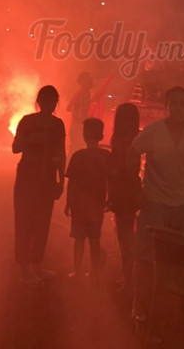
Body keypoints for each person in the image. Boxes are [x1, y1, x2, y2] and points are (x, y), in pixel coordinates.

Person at [130, 86, 184, 326]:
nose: (177, 108)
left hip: (183, 204)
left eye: (182, 103)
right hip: (154, 203)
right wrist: (137, 189)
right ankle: (139, 305)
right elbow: (132, 153)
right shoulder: (153, 131)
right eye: (173, 103)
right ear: (166, 106)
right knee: (145, 257)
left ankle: (183, 302)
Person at [12, 85, 66, 285]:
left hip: (46, 181)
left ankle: (36, 265)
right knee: (24, 222)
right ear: (39, 102)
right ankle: (24, 269)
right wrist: (30, 139)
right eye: (46, 100)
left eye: (53, 101)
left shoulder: (58, 125)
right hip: (27, 180)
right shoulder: (27, 122)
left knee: (42, 224)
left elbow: (61, 153)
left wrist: (61, 180)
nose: (49, 104)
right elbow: (15, 147)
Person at [65, 118, 111, 279]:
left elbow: (72, 182)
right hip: (97, 203)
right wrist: (109, 199)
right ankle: (94, 270)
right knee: (94, 238)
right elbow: (110, 180)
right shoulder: (105, 156)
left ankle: (77, 271)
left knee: (79, 239)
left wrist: (68, 203)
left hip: (79, 204)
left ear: (84, 135)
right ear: (101, 136)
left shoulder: (78, 156)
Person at [106, 103, 141, 291]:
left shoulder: (119, 141)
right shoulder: (137, 139)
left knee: (124, 238)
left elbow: (117, 169)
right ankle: (130, 278)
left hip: (122, 191)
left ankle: (128, 281)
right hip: (133, 190)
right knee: (131, 236)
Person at [67, 72, 93, 156]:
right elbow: (81, 112)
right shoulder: (84, 93)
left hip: (75, 125)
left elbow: (69, 108)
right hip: (79, 125)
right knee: (78, 148)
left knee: (74, 147)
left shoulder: (78, 94)